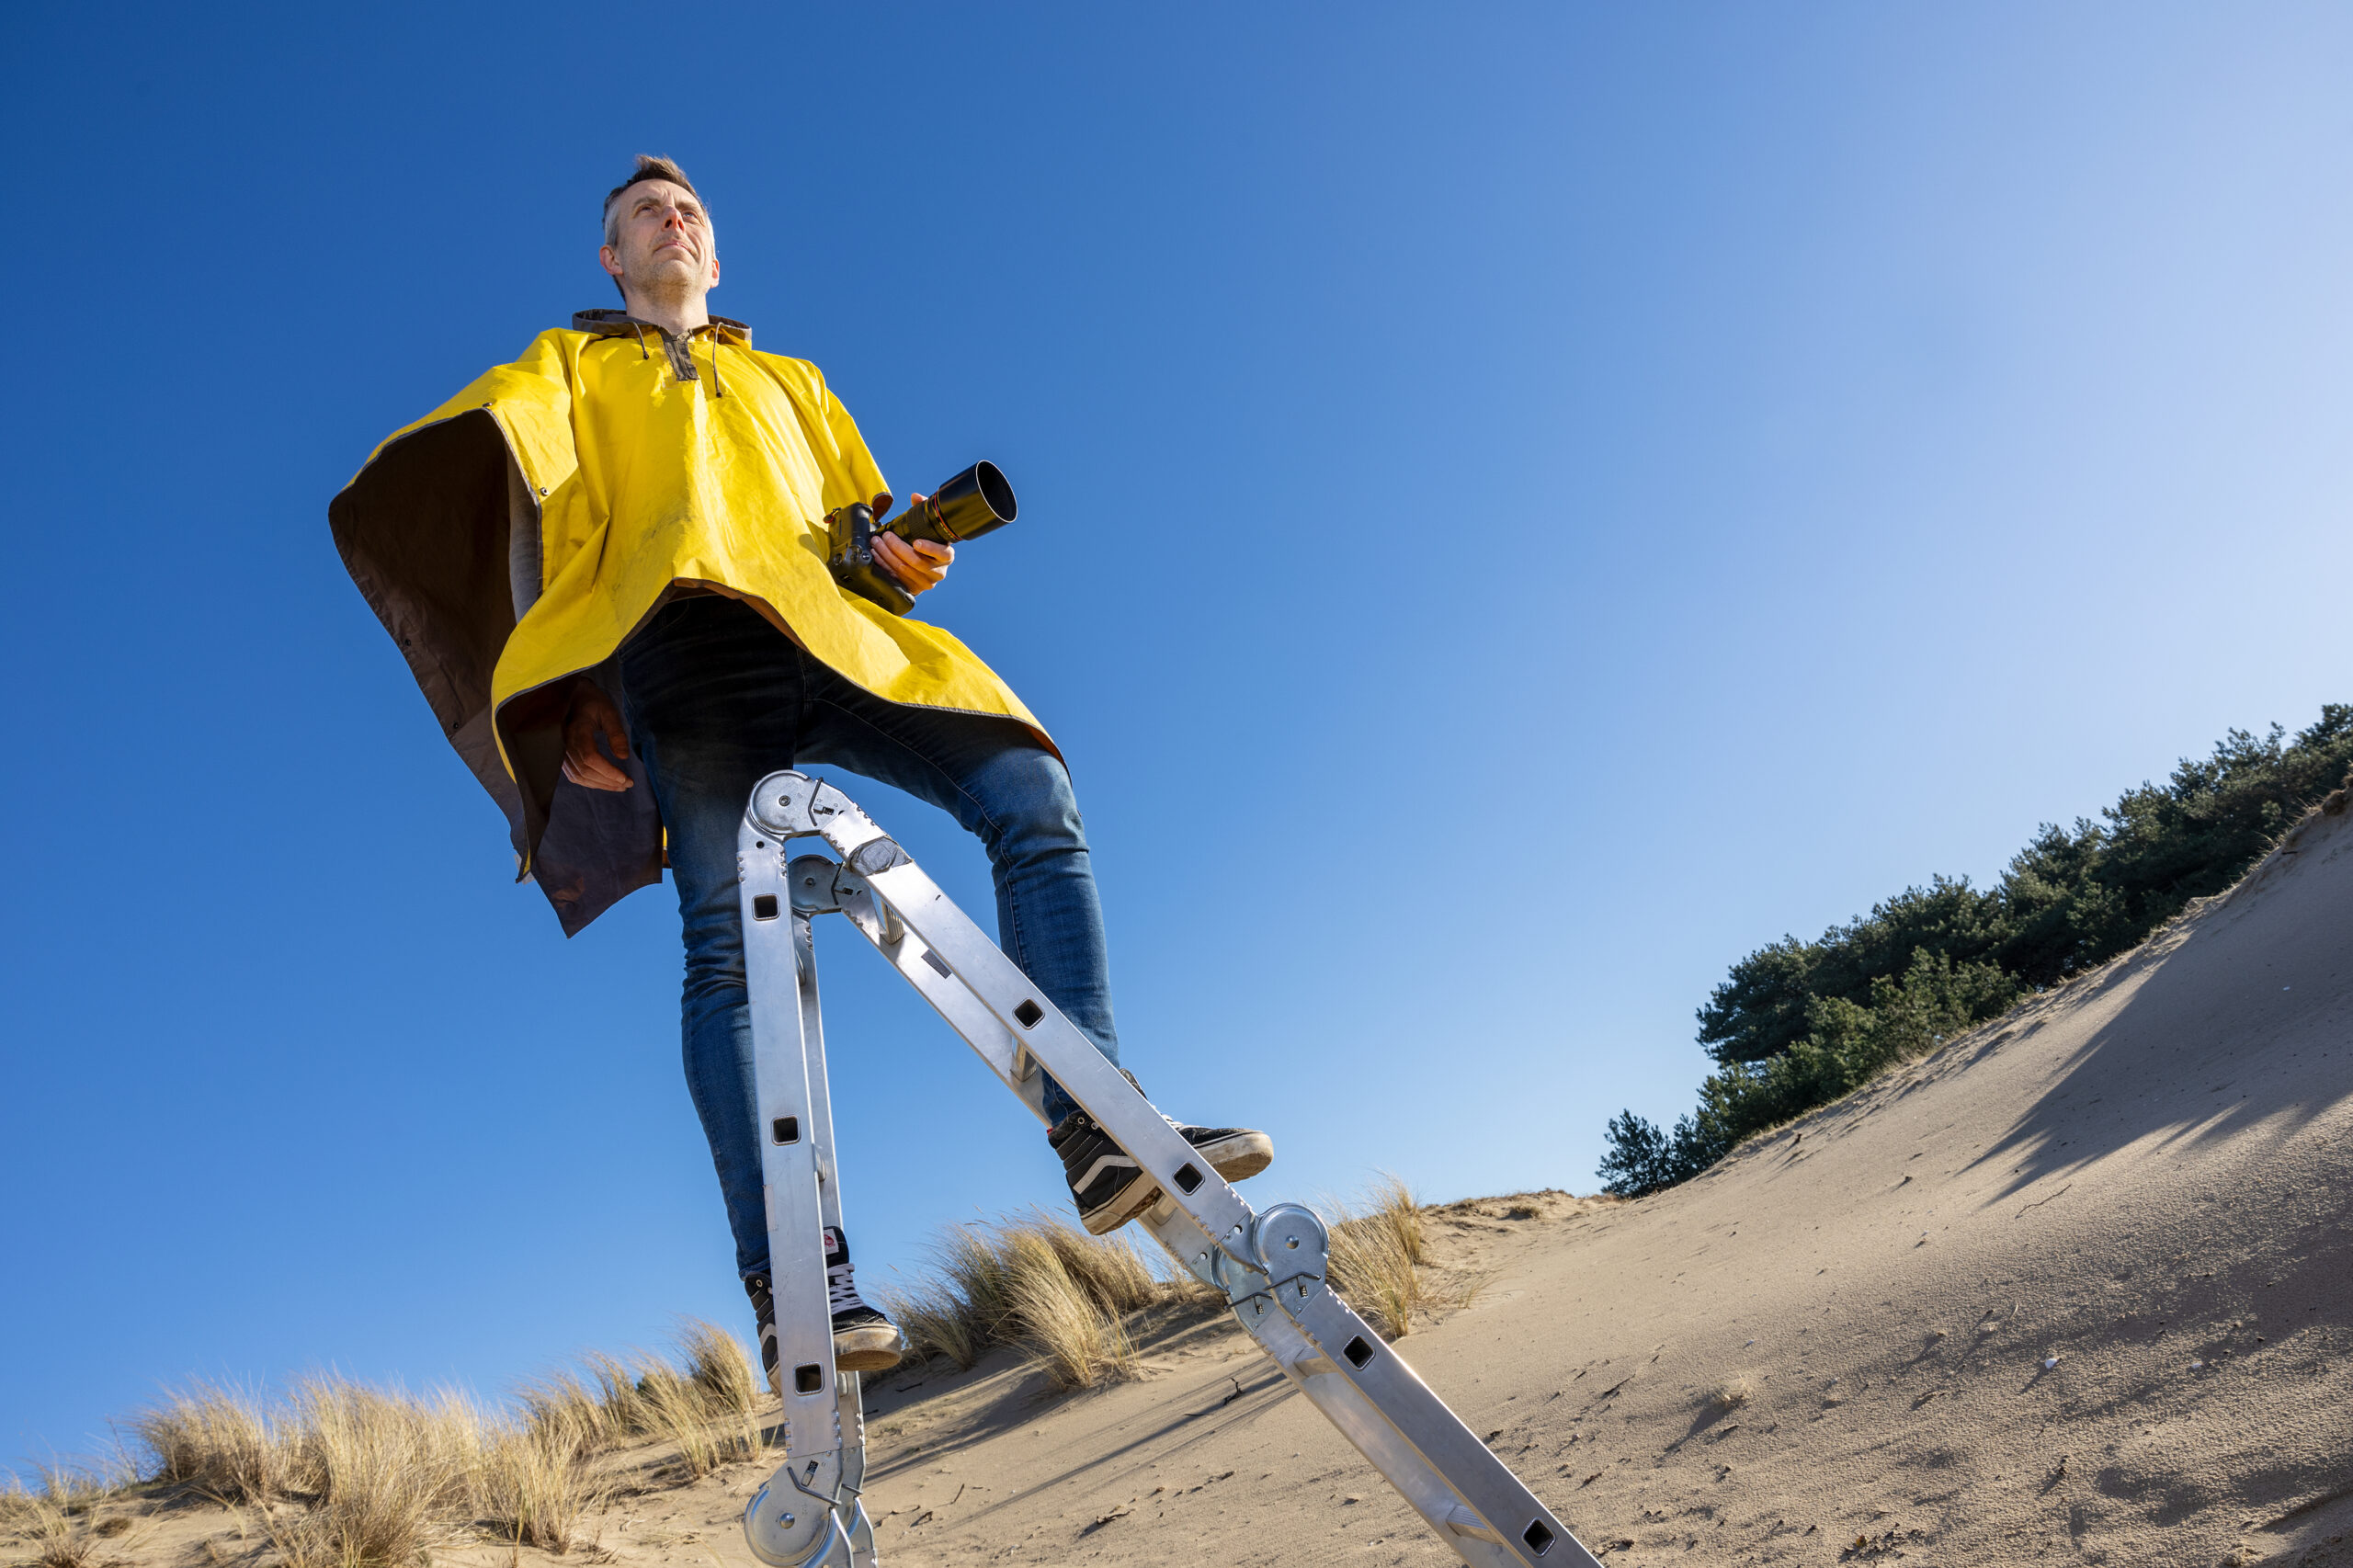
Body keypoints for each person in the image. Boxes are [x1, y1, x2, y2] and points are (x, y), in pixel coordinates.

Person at [329, 154, 1271, 1388]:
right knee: (729, 940)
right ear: (611, 261)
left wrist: (900, 551)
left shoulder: (794, 379)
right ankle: (798, 1277)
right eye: (641, 218)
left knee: (1031, 793)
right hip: (679, 655)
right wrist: (569, 698)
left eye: (690, 214)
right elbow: (522, 519)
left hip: (831, 636)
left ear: (713, 256)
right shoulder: (567, 367)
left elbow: (857, 541)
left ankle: (1098, 1125)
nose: (673, 220)